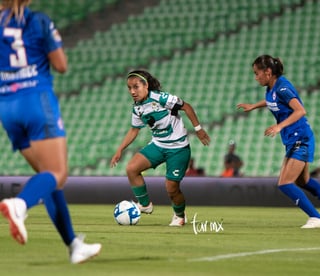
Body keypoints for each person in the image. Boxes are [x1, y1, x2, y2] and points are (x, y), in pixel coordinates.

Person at [0, 0, 101, 264]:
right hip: (36, 100)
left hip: (6, 107)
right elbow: (61, 65)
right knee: (58, 173)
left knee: (47, 177)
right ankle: (19, 205)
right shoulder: (39, 21)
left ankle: (73, 245)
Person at [237, 54, 320, 228]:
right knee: (302, 181)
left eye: (257, 73)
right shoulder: (272, 88)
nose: (255, 77)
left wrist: (279, 126)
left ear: (268, 72)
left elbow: (300, 110)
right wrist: (253, 106)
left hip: (300, 138)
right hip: (294, 139)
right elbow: (271, 101)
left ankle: (316, 218)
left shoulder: (282, 87)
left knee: (284, 183)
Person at [110, 69, 210, 226]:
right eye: (129, 88)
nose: (132, 92)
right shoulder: (137, 107)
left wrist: (198, 129)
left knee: (171, 188)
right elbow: (134, 130)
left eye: (136, 87)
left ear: (146, 85)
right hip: (158, 145)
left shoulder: (162, 98)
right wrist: (119, 150)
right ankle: (145, 204)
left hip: (178, 148)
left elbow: (187, 107)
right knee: (131, 169)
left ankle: (179, 216)